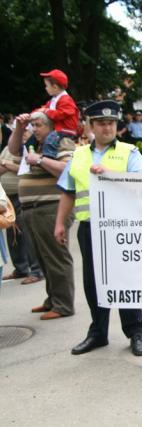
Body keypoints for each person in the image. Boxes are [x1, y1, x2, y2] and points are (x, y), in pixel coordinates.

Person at [55, 100, 142, 356]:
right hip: (89, 228)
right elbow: (68, 191)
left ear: (117, 126)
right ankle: (98, 332)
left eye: (111, 123)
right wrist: (60, 223)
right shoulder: (79, 155)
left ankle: (135, 332)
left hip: (122, 229)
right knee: (93, 282)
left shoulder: (130, 153)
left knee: (126, 280)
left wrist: (110, 173)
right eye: (101, 123)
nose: (107, 127)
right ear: (91, 126)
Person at [8, 111, 75, 320]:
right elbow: (12, 149)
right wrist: (19, 127)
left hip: (51, 207)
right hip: (33, 209)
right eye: (32, 125)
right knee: (42, 257)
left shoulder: (61, 142)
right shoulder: (35, 144)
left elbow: (67, 169)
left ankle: (63, 304)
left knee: (55, 256)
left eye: (38, 125)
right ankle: (53, 299)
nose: (34, 129)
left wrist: (40, 160)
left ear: (50, 125)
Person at [0, 135, 44, 285]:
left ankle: (36, 270)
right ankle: (21, 268)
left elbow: (27, 170)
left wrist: (6, 164)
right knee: (13, 234)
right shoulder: (8, 149)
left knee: (27, 234)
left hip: (23, 195)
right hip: (8, 198)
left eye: (25, 132)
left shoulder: (30, 150)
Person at [35, 69, 80, 140]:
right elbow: (43, 109)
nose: (45, 88)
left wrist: (46, 111)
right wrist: (31, 115)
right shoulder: (54, 100)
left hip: (67, 131)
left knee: (50, 140)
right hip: (58, 131)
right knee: (37, 136)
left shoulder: (66, 100)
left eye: (46, 86)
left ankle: (48, 151)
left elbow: (60, 114)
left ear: (55, 87)